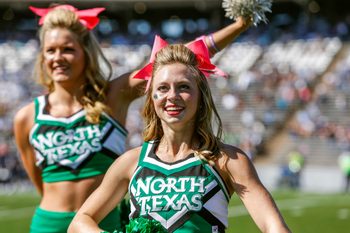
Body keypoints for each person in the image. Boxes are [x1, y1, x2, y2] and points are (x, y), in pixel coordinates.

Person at [13, 4, 252, 233]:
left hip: (103, 222)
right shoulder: (27, 117)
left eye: (68, 49)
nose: (58, 57)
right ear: (42, 56)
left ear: (85, 53)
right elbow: (39, 182)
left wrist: (239, 25)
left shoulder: (114, 96)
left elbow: (177, 58)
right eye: (50, 50)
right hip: (47, 224)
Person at [68, 40, 291, 233]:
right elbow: (79, 222)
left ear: (200, 95)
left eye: (183, 87)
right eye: (163, 88)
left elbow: (274, 227)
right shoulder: (131, 163)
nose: (172, 97)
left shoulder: (227, 160)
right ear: (151, 97)